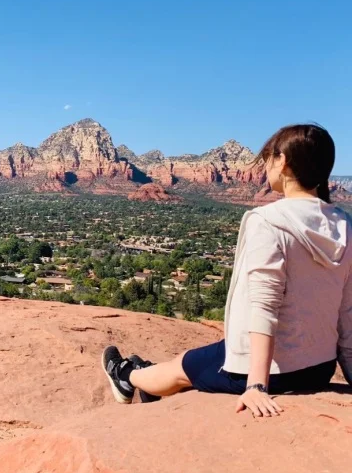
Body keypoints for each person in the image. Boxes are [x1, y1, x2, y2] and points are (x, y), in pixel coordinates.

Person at [102, 123, 352, 418]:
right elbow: (346, 309)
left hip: (270, 372)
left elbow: (264, 305)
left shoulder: (269, 220)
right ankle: (147, 379)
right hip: (318, 369)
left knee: (185, 365)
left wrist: (257, 385)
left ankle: (126, 375)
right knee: (205, 355)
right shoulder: (345, 224)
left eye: (268, 158)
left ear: (282, 161)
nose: (265, 166)